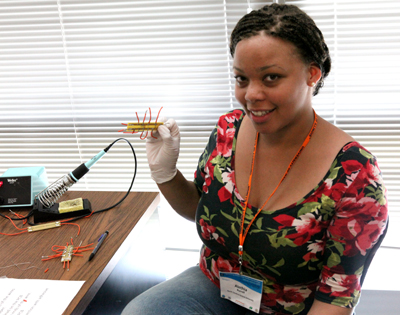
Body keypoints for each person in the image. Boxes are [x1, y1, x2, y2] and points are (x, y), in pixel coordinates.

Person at [122, 4, 388, 315]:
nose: (251, 94)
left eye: (271, 77)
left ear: (312, 74)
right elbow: (201, 212)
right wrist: (165, 173)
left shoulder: (355, 177)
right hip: (216, 282)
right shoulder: (228, 131)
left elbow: (336, 299)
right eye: (242, 79)